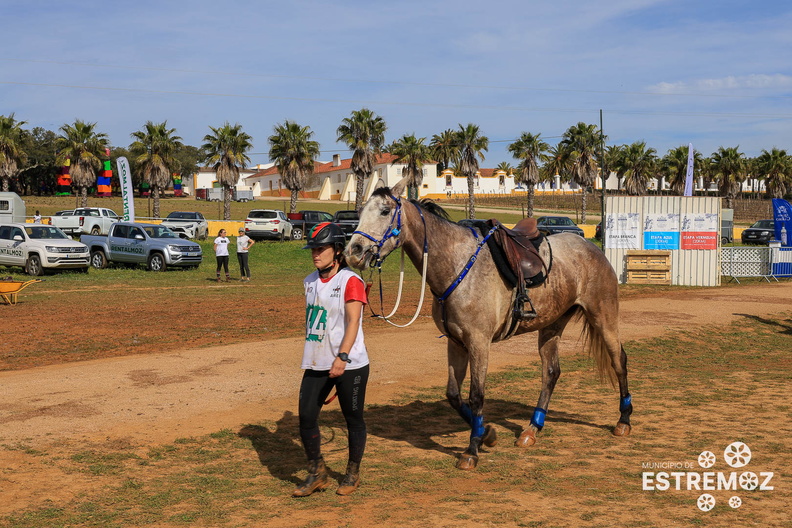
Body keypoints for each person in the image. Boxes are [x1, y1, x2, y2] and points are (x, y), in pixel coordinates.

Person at [293, 222, 369, 497]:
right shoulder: (309, 281)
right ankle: (317, 472)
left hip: (350, 363)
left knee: (353, 418)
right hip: (316, 361)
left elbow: (353, 322)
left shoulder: (350, 281)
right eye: (313, 249)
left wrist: (343, 357)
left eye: (321, 248)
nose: (315, 254)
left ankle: (352, 472)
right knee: (306, 418)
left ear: (338, 250)